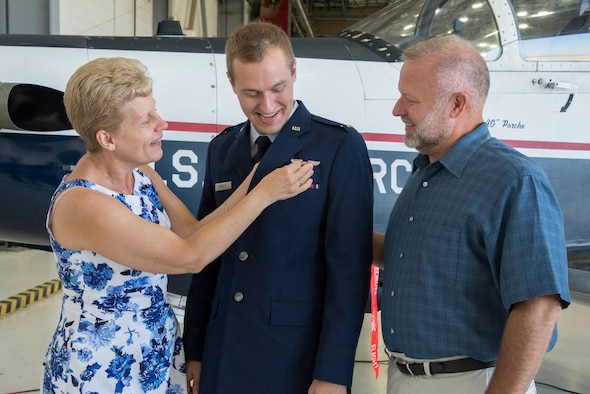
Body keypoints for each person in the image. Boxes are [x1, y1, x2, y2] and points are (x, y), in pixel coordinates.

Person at [41, 57, 314, 393]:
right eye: (146, 121)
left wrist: (257, 179)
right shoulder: (86, 205)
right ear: (107, 139)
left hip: (154, 350)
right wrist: (265, 196)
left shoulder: (140, 175)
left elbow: (191, 230)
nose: (163, 123)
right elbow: (190, 256)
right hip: (104, 366)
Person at [372, 35, 571, 394]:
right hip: (403, 378)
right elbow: (409, 257)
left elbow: (539, 308)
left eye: (410, 100)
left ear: (456, 104)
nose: (397, 109)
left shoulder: (515, 181)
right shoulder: (425, 173)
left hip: (473, 383)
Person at [183, 21, 373, 394]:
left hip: (293, 358)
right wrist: (197, 349)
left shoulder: (337, 147)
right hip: (223, 349)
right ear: (231, 82)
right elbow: (207, 257)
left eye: (278, 89)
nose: (267, 106)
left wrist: (333, 372)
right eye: (251, 93)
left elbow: (348, 271)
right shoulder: (222, 149)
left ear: (294, 72)